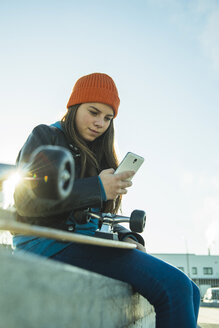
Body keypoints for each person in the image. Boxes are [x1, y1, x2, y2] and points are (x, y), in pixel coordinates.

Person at [13, 73, 200, 327]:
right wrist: (97, 187)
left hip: (85, 241)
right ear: (74, 106)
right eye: (93, 112)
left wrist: (126, 235)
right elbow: (26, 201)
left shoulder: (98, 152)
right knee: (175, 287)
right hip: (48, 243)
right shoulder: (46, 136)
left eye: (108, 118)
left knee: (192, 290)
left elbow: (96, 216)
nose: (100, 122)